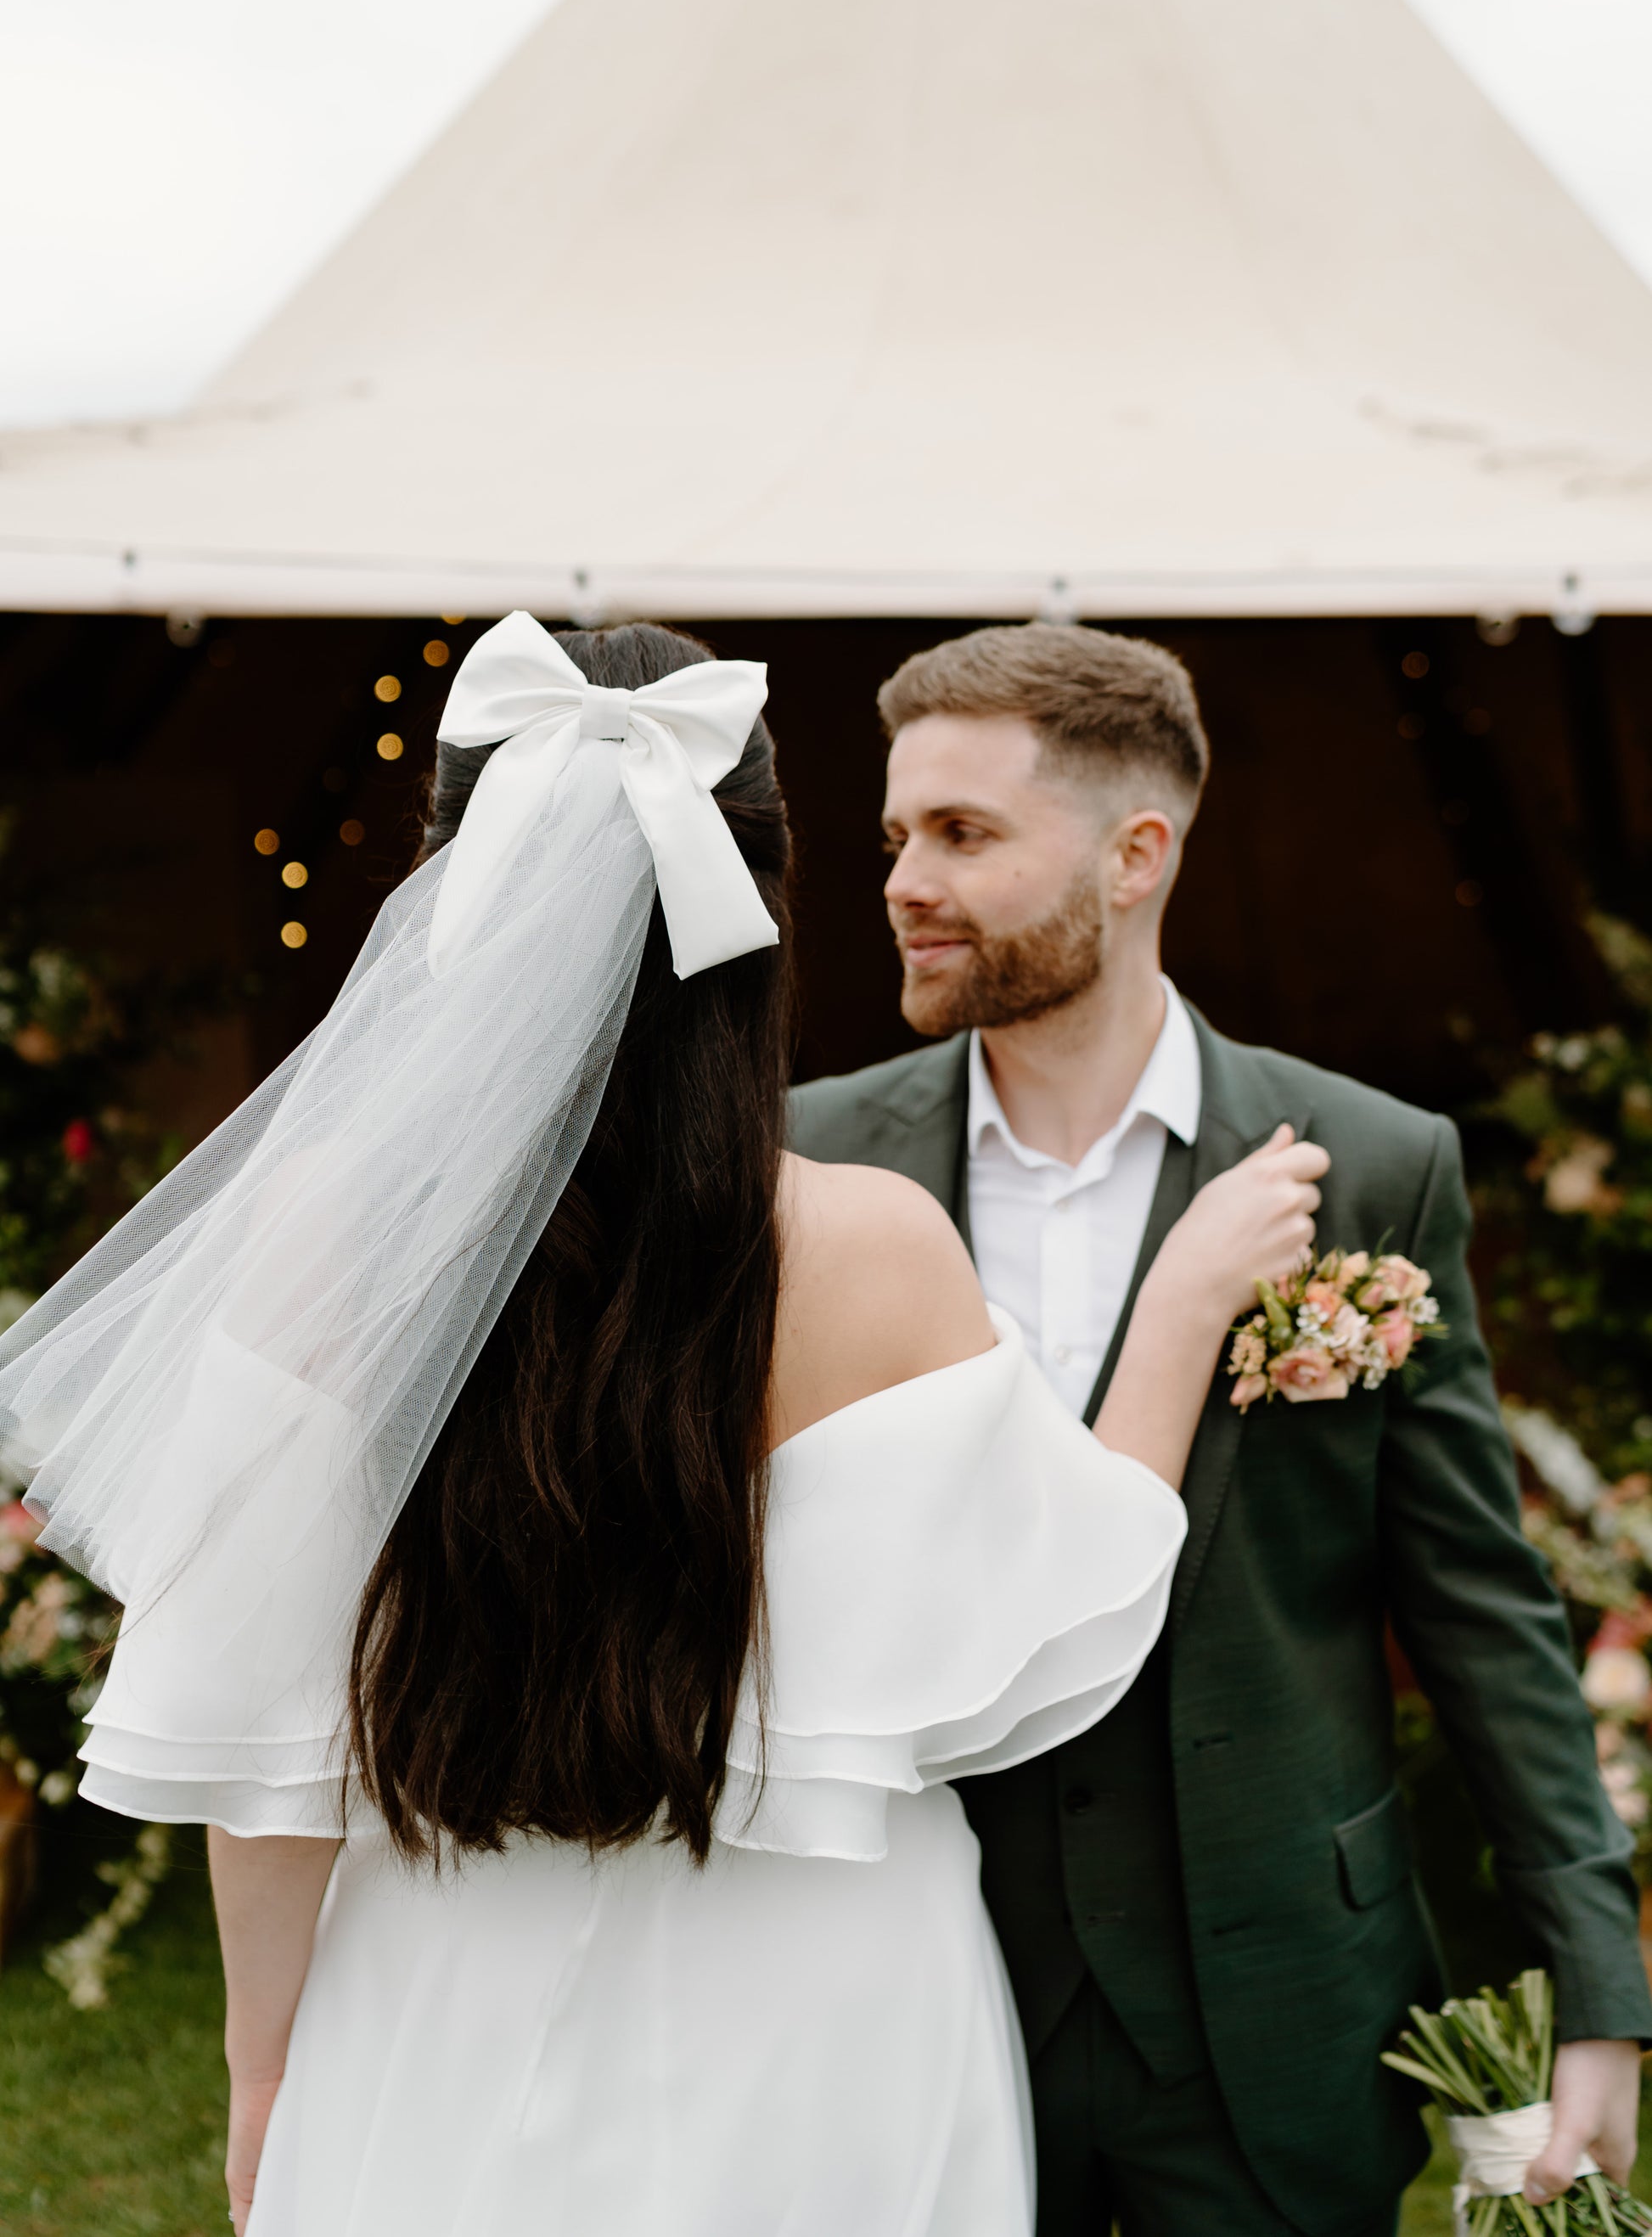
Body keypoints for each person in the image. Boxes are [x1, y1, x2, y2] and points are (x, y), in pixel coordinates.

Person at [0, 614, 1325, 2237]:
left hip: (439, 1994)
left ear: (446, 898)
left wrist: (266, 2069)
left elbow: (265, 1760)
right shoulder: (879, 1248)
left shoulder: (316, 1245)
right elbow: (1077, 1588)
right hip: (835, 2010)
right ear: (756, 908)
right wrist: (1184, 1312)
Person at [789, 621, 1652, 2237]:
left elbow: (1477, 1606)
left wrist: (1594, 1981)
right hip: (924, 1981)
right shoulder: (815, 1169)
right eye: (897, 833)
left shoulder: (1369, 1166)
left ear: (1134, 857)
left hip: (1275, 2003)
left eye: (963, 834)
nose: (904, 877)